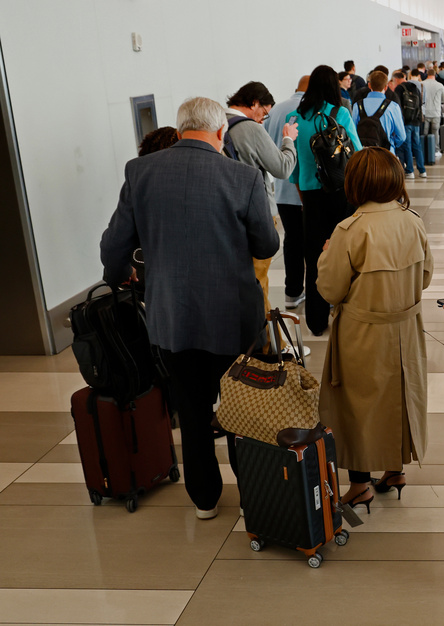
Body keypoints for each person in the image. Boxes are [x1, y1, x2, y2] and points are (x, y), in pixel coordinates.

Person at [100, 96, 279, 520]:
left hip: (171, 318)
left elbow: (113, 248)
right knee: (241, 409)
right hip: (233, 320)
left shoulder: (140, 172)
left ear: (180, 130)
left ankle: (204, 499)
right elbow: (267, 244)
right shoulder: (243, 177)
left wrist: (121, 274)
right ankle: (253, 495)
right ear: (221, 132)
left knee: (192, 410)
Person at [317, 147, 433, 512]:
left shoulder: (350, 230)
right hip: (406, 328)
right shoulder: (412, 220)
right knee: (400, 395)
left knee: (358, 406)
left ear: (355, 182)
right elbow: (425, 277)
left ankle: (361, 484)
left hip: (362, 333)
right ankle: (396, 470)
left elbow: (331, 289)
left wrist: (325, 255)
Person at [287, 65, 363, 337]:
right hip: (339, 193)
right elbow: (357, 152)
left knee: (314, 256)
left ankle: (316, 321)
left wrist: (303, 193)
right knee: (345, 251)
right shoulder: (340, 112)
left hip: (309, 195)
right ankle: (347, 310)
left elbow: (293, 167)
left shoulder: (293, 117)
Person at [225, 81, 298, 314]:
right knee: (259, 284)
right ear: (254, 103)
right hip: (255, 215)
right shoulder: (250, 129)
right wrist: (289, 140)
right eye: (264, 114)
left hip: (226, 217)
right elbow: (283, 168)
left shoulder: (215, 123)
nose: (261, 121)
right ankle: (266, 344)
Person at [265, 76, 309, 310]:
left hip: (281, 189)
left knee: (292, 241)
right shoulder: (312, 110)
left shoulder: (274, 111)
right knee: (314, 242)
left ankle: (292, 292)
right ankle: (319, 292)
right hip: (308, 189)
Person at [353, 70, 406, 154]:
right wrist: (391, 143)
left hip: (363, 153)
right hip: (385, 153)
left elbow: (353, 133)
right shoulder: (393, 106)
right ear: (386, 87)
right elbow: (402, 136)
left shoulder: (358, 106)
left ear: (369, 85)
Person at [393, 70, 427, 178]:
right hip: (416, 121)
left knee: (407, 145)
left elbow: (397, 105)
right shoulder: (415, 87)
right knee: (417, 145)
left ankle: (410, 170)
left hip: (406, 121)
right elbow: (420, 103)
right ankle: (422, 170)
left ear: (396, 79)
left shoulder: (399, 88)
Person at [422, 68, 444, 159]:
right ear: (435, 75)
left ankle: (423, 150)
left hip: (425, 112)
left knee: (424, 132)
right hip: (436, 113)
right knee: (435, 132)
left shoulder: (422, 84)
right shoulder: (440, 85)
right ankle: (436, 150)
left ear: (427, 74)